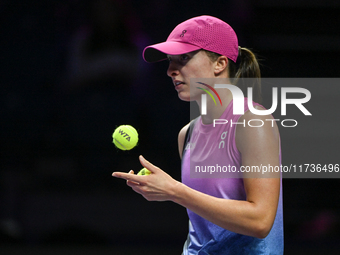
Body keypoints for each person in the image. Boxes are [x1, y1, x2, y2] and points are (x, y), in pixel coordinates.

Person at [112, 15, 283, 254]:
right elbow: (203, 229)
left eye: (183, 58)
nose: (171, 70)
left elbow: (260, 221)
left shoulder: (253, 121)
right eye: (170, 61)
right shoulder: (187, 134)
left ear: (219, 63)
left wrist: (174, 191)